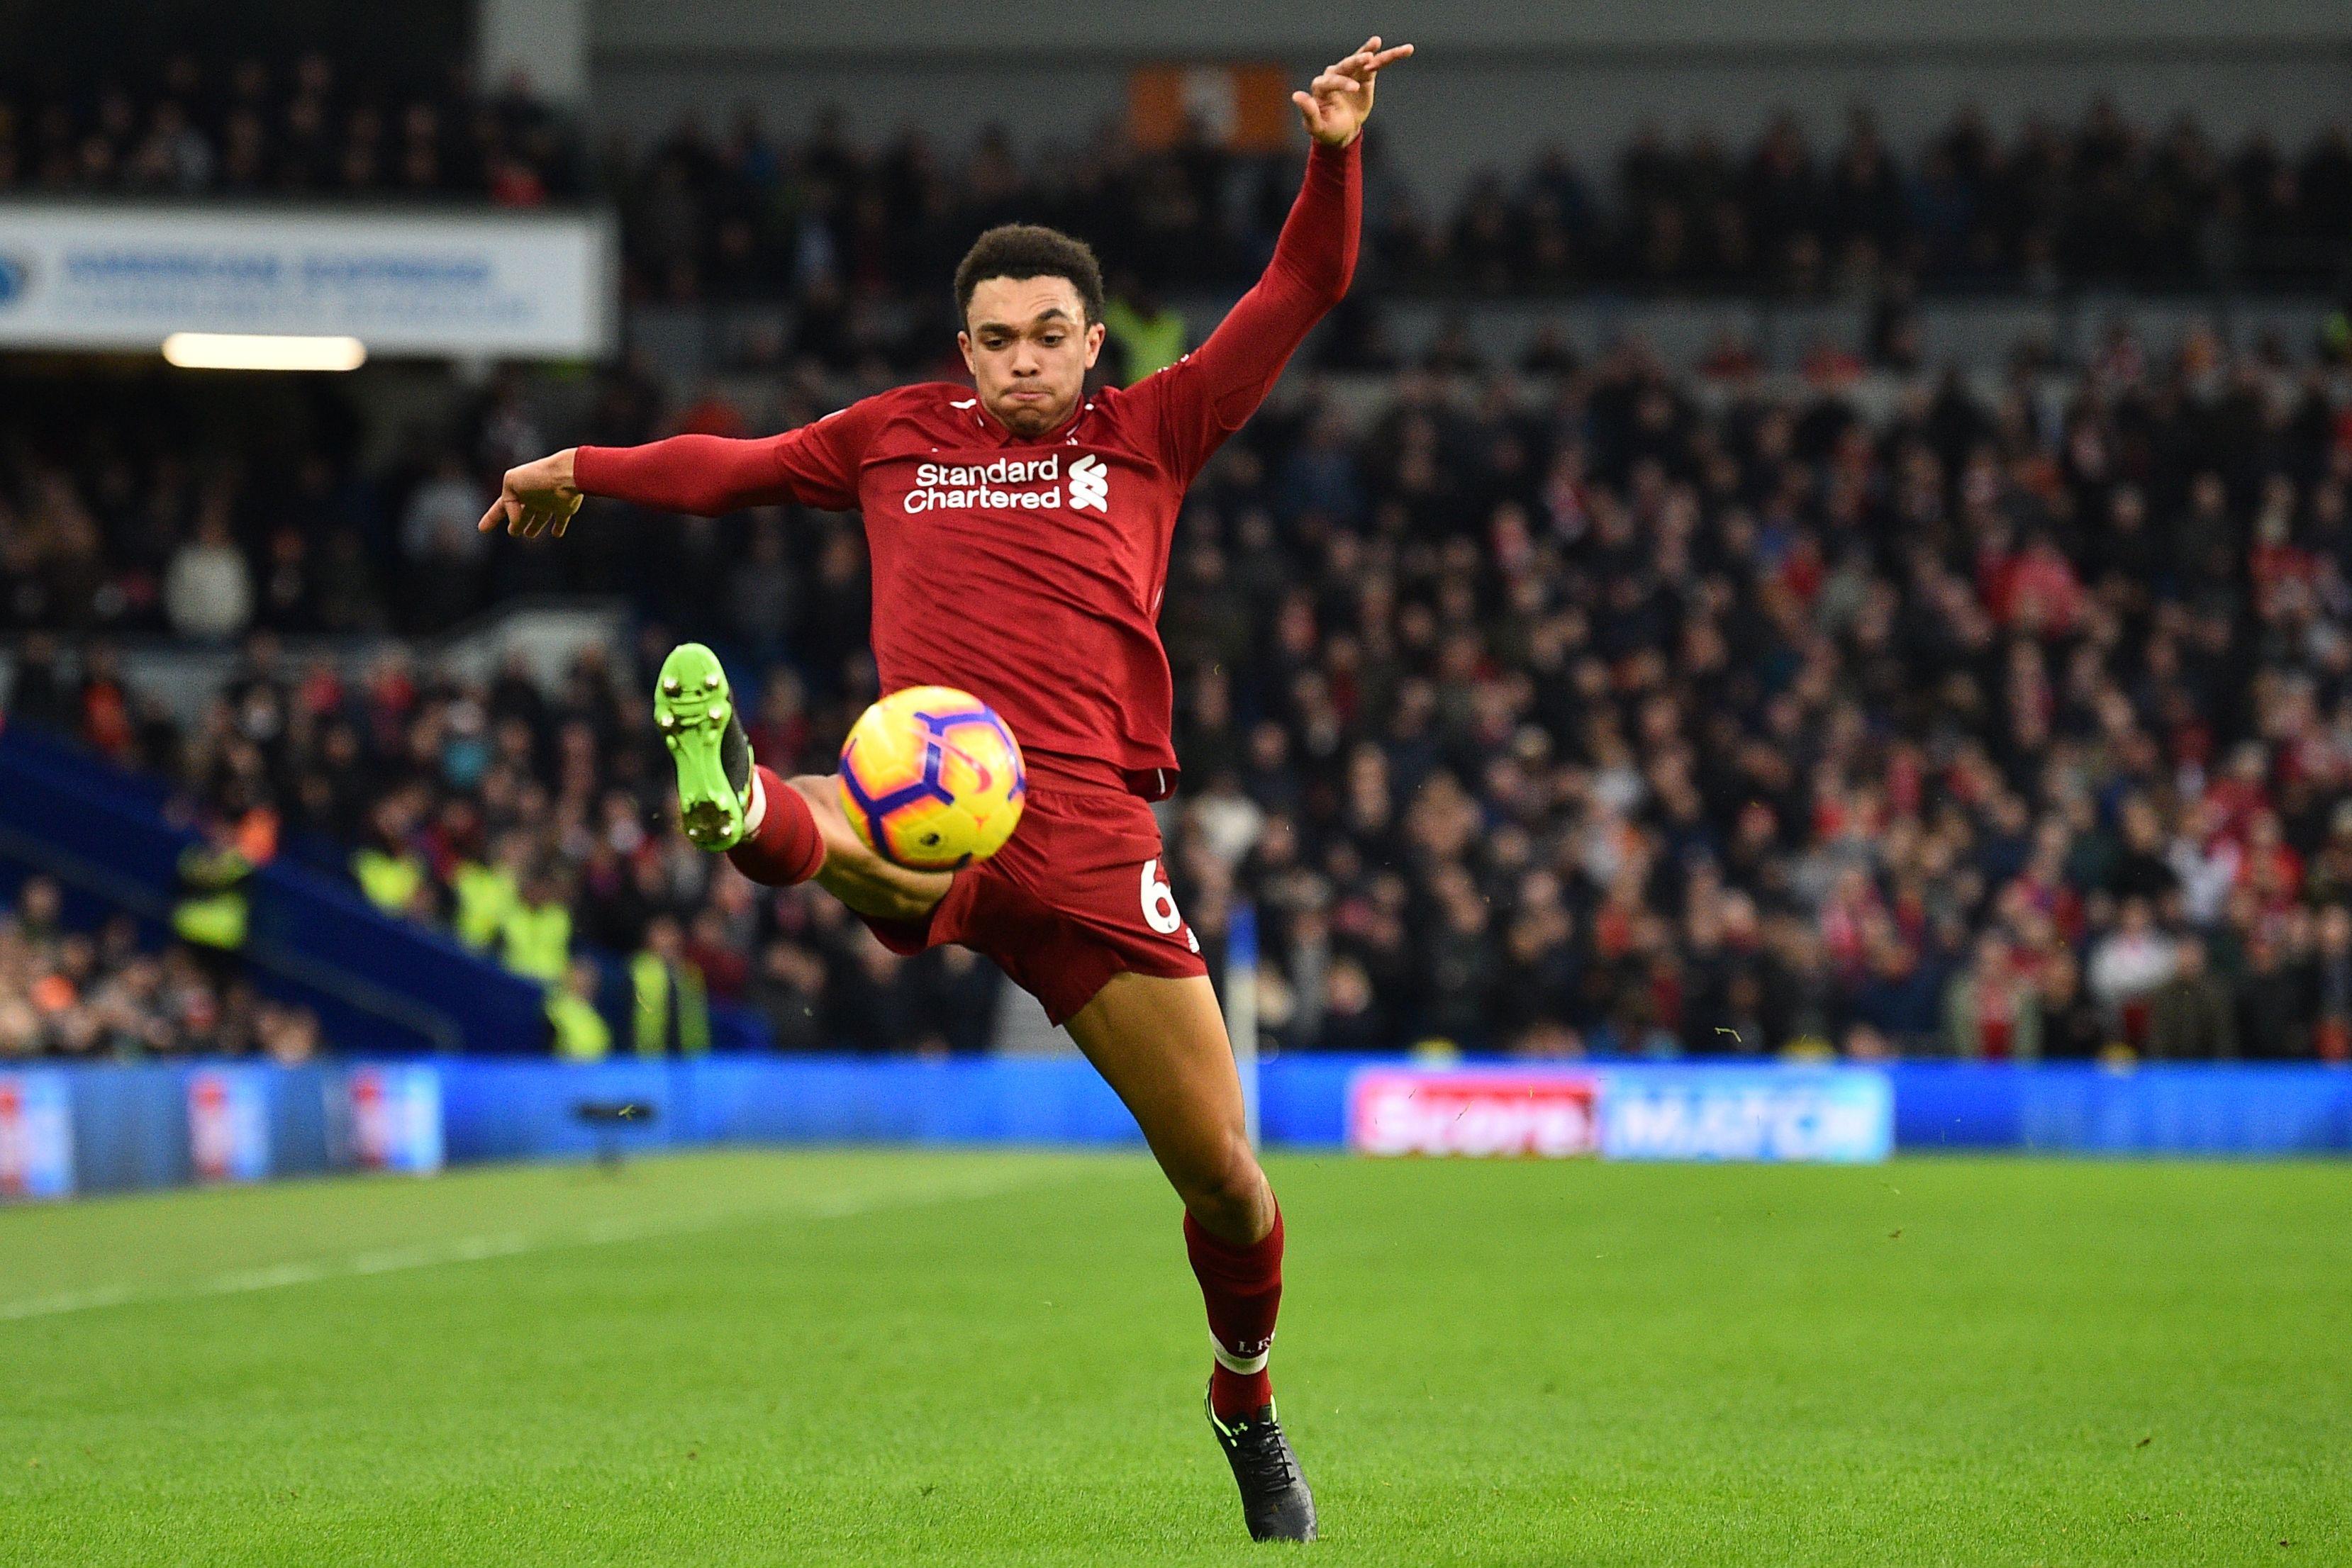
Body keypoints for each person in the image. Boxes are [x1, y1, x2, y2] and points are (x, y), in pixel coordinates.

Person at [477, 37, 1412, 1542]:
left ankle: (1243, 1396)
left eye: (1048, 335)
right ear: (962, 349)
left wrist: (1333, 151)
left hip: (1093, 838)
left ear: (1093, 343)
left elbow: (1302, 286)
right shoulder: (892, 437)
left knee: (1231, 1185)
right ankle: (747, 806)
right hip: (933, 793)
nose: (1023, 359)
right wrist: (581, 463)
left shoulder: (1154, 430)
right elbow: (730, 467)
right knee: (857, 821)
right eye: (996, 339)